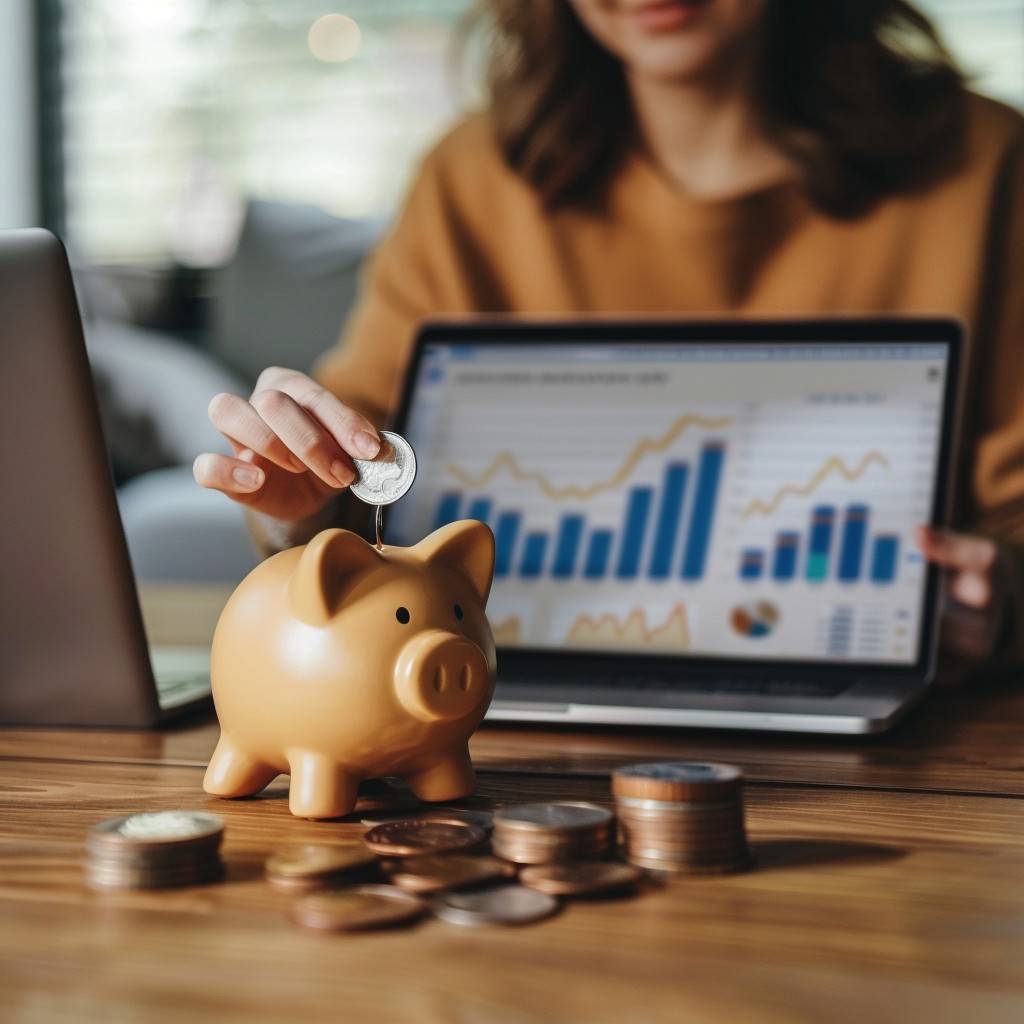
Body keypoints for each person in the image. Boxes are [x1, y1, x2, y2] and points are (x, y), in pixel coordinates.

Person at [193, 0, 1023, 678]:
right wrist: (298, 502)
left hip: (908, 727)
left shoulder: (988, 163)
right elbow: (355, 478)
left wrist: (1004, 598)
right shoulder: (470, 178)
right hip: (485, 701)